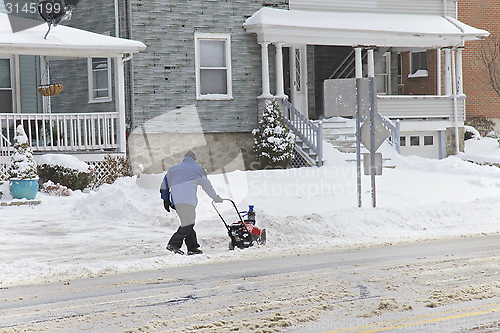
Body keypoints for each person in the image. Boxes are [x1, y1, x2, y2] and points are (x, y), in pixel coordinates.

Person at [160, 151, 223, 255]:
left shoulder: (174, 168)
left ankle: (192, 248)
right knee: (189, 223)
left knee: (187, 223)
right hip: (188, 200)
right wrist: (215, 197)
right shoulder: (197, 169)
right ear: (194, 159)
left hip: (176, 201)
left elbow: (164, 184)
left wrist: (166, 199)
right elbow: (207, 185)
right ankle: (174, 244)